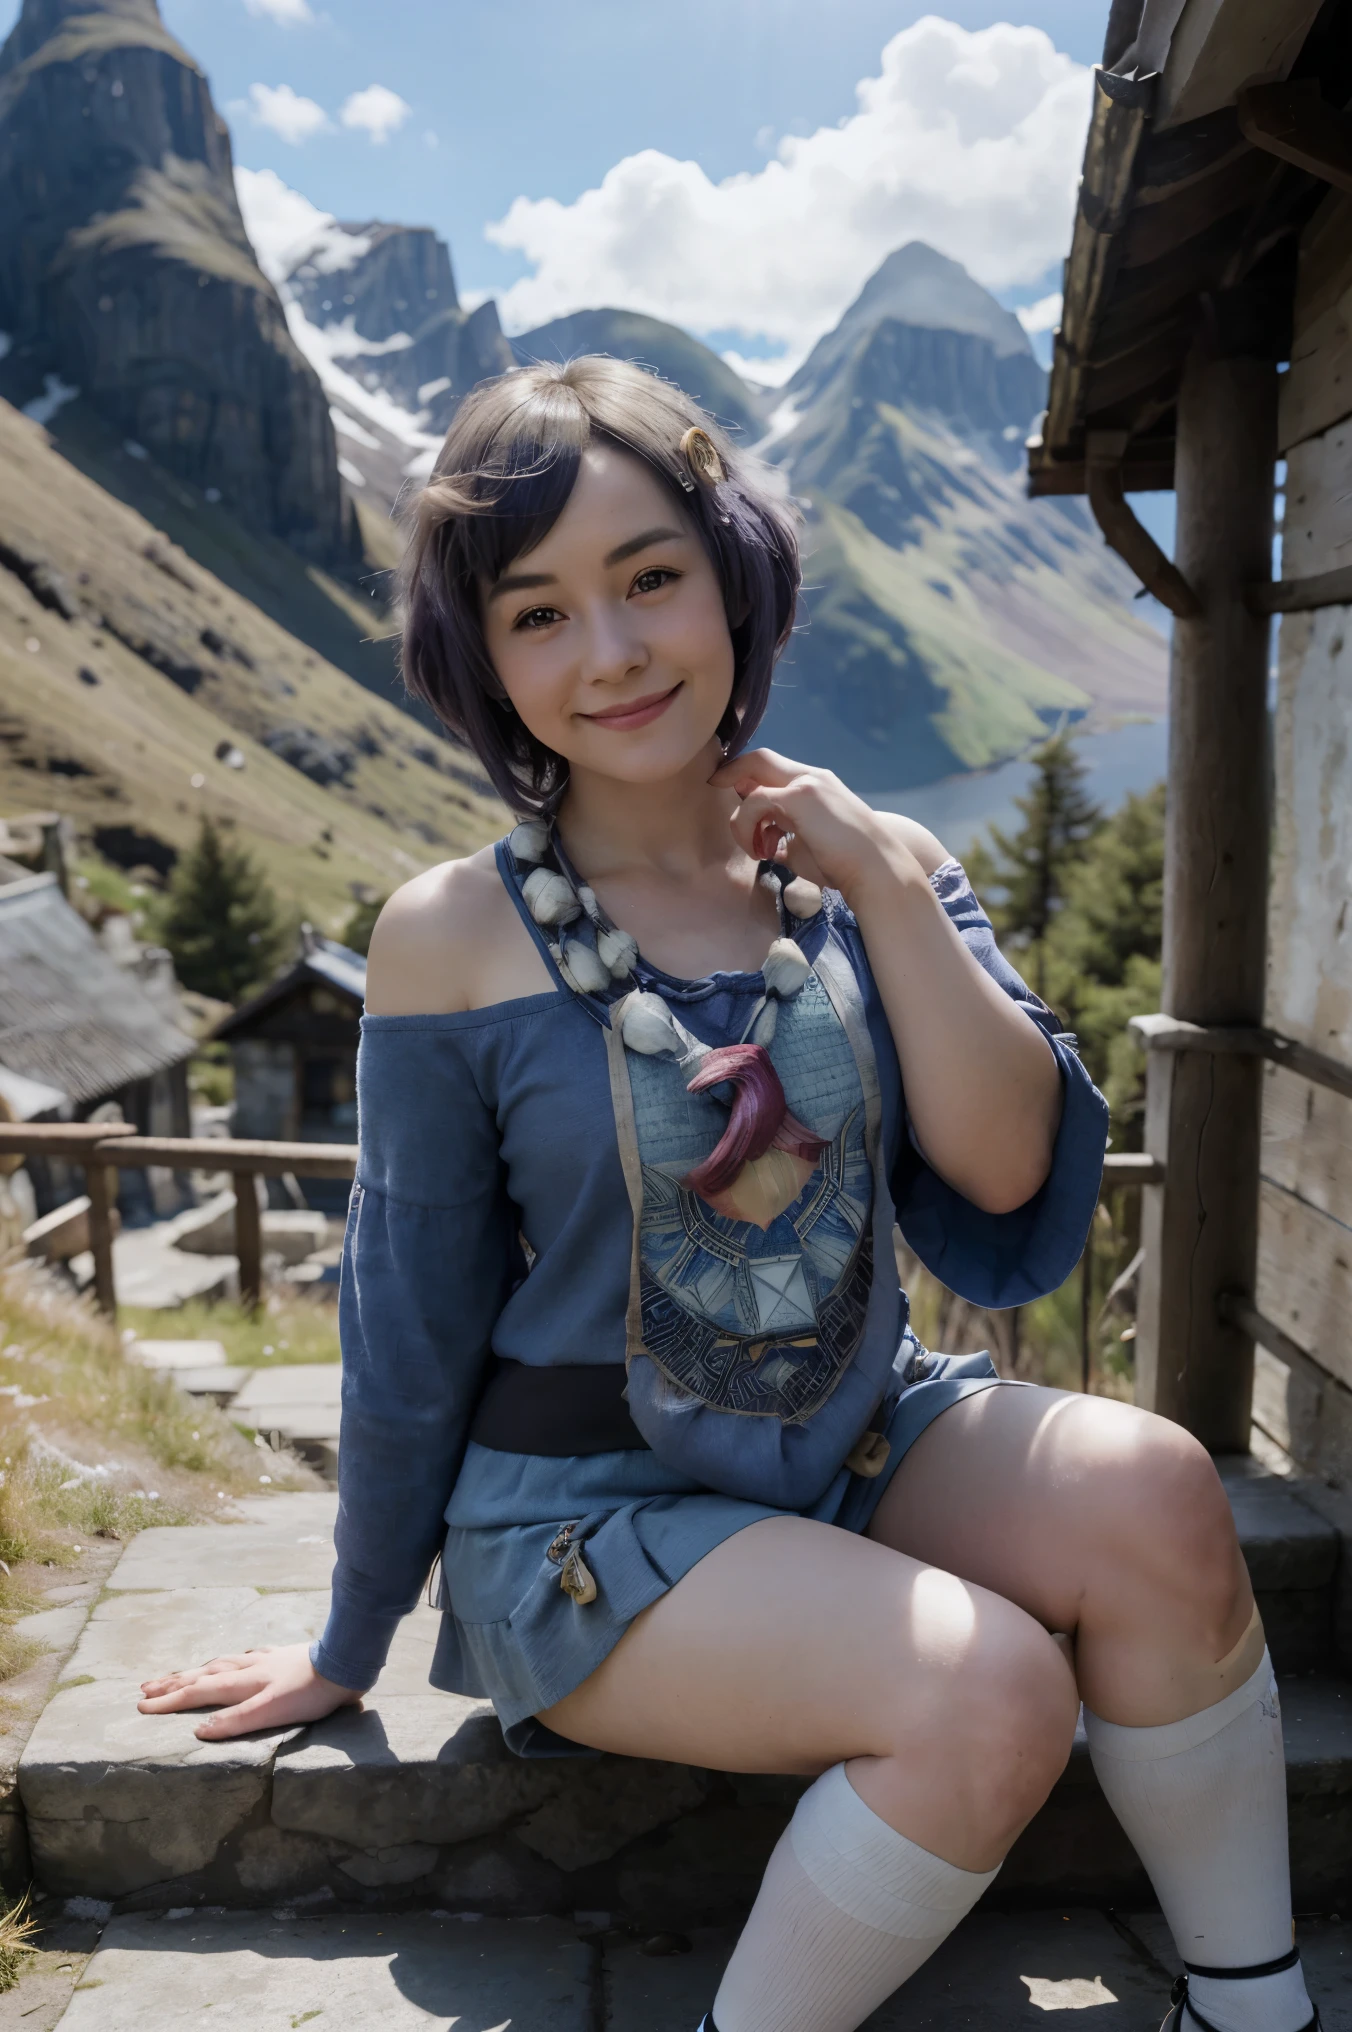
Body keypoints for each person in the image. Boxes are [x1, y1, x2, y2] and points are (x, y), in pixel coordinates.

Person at [139, 359, 1316, 2032]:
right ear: (480, 654)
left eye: (647, 580)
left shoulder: (875, 861)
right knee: (991, 1694)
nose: (609, 654)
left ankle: (1255, 2010)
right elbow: (405, 1313)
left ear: (728, 573)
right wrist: (350, 1636)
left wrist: (890, 888)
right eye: (536, 613)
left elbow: (996, 1170)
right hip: (580, 1524)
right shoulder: (447, 935)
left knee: (1157, 1491)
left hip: (857, 1436)